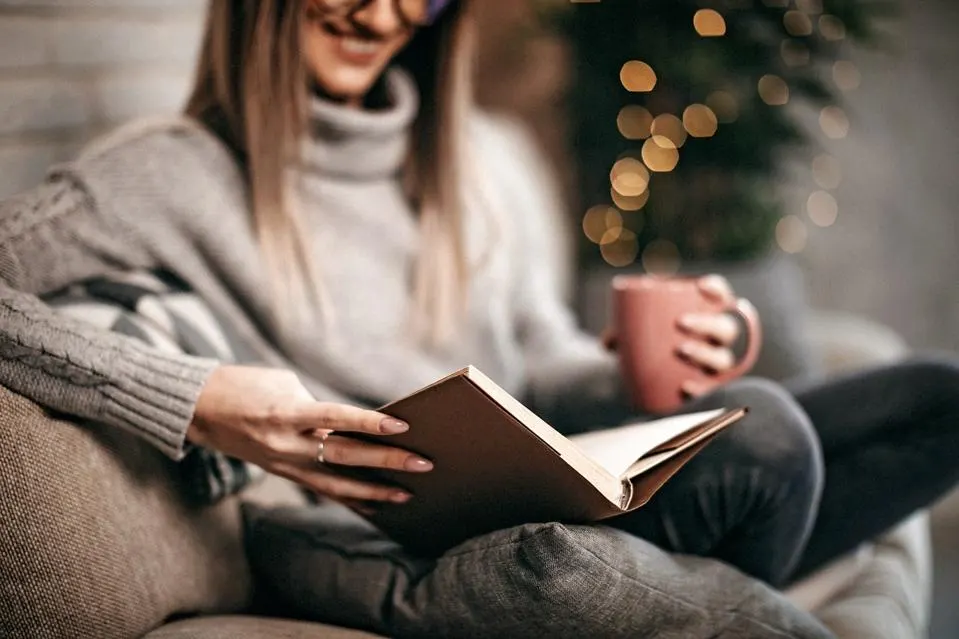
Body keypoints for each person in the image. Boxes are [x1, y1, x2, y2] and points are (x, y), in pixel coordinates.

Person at [1, 0, 958, 601]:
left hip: (551, 452)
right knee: (769, 440)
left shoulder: (479, 156)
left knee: (932, 396)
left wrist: (640, 373)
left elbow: (538, 348)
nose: (380, 13)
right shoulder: (164, 175)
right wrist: (194, 397)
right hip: (411, 513)